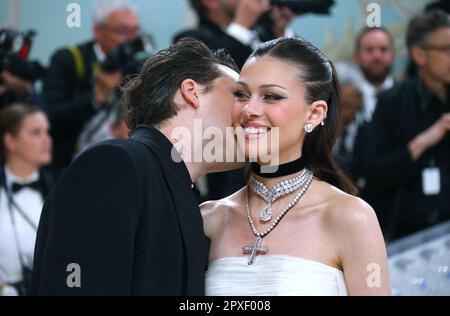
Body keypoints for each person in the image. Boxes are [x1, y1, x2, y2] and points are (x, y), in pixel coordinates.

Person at [31, 38, 241, 296]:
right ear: (192, 91)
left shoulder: (183, 195)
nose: (252, 111)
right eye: (239, 95)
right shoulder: (112, 165)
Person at [201, 37, 391, 296]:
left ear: (314, 114)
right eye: (242, 94)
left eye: (271, 96)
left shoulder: (351, 218)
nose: (249, 109)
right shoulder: (209, 219)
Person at [363, 10, 450, 240]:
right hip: (404, 236)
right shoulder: (393, 102)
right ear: (419, 55)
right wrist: (423, 141)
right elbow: (374, 174)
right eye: (446, 49)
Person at [43, 0, 141, 169]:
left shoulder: (139, 65)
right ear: (98, 30)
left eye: (135, 32)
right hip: (71, 166)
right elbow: (51, 121)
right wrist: (97, 97)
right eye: (123, 31)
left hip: (122, 164)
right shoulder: (69, 60)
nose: (130, 40)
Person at [0, 104, 54, 296]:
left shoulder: (59, 187)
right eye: (35, 133)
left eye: (47, 132)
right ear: (10, 141)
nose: (47, 140)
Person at [175, 0, 294, 70]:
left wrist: (280, 31)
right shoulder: (189, 39)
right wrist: (241, 24)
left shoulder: (264, 31)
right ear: (209, 2)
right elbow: (215, 71)